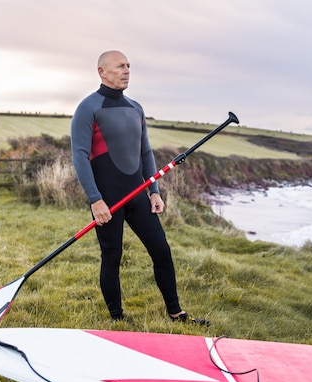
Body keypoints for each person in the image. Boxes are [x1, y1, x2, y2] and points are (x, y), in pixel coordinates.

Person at [70, 50, 208, 325]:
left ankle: (176, 312)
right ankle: (117, 318)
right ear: (102, 71)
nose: (126, 70)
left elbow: (146, 152)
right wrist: (95, 200)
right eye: (120, 66)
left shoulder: (136, 108)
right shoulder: (88, 108)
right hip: (108, 200)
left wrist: (154, 190)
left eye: (129, 66)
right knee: (112, 255)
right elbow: (80, 156)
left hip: (137, 195)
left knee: (161, 250)